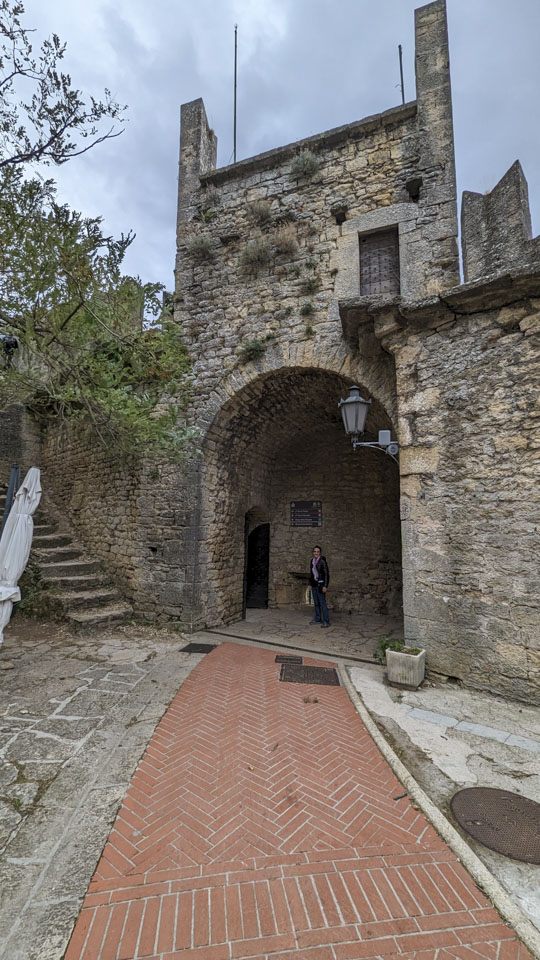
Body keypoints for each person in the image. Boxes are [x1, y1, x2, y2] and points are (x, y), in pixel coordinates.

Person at [308, 545, 330, 627]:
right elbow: (311, 573)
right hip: (314, 584)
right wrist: (310, 584)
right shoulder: (312, 561)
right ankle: (318, 618)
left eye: (318, 552)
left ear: (319, 553)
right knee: (316, 603)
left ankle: (326, 621)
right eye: (315, 551)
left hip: (320, 585)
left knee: (322, 603)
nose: (316, 553)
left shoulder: (322, 561)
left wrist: (325, 586)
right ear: (313, 552)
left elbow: (327, 574)